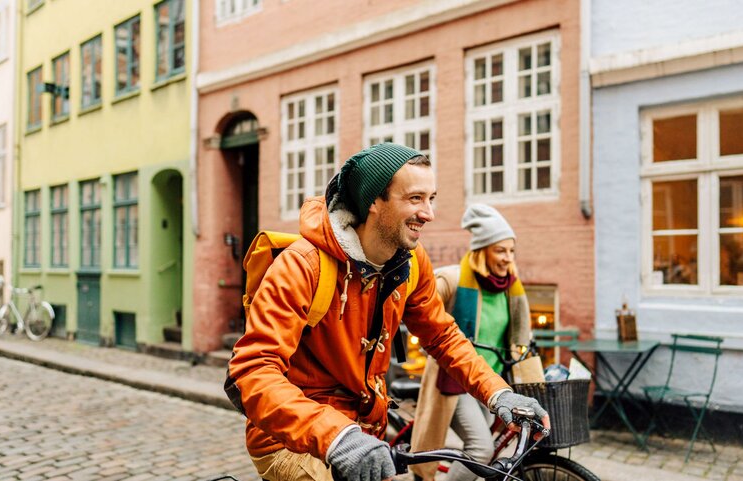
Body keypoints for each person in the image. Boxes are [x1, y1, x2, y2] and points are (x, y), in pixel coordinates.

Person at [225, 143, 549, 481]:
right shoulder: (303, 265)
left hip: (364, 432)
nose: (428, 213)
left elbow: (442, 335)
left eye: (431, 198)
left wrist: (499, 394)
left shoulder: (410, 261)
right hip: (292, 438)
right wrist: (337, 435)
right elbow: (252, 371)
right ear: (373, 202)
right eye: (414, 199)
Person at [409, 204, 532, 481]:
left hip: (489, 382)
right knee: (481, 450)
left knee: (481, 446)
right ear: (482, 250)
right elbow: (416, 307)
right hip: (455, 380)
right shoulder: (452, 279)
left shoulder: (511, 289)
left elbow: (520, 336)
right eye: (500, 250)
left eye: (511, 251)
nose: (507, 258)